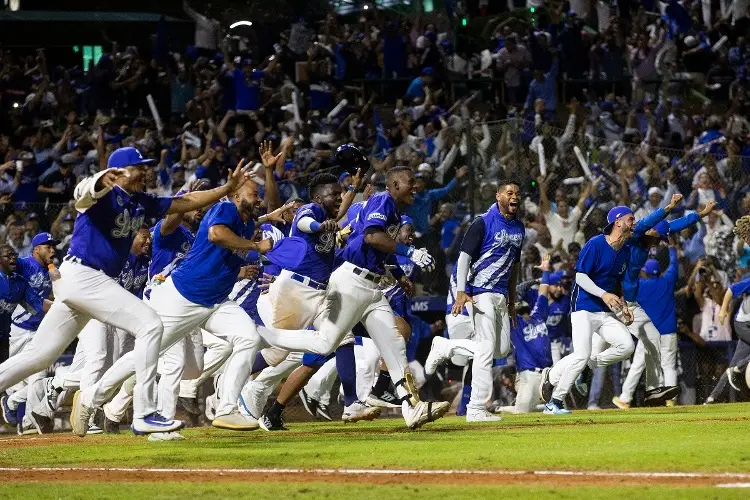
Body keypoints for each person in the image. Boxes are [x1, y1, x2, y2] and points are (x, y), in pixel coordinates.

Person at [0, 145, 253, 436]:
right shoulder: (102, 195)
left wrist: (226, 187)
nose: (144, 172)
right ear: (119, 172)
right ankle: (145, 413)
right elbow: (81, 194)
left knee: (40, 357)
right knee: (150, 324)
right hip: (84, 275)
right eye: (138, 167)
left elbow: (186, 201)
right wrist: (100, 180)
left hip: (83, 282)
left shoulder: (140, 201)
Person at [74, 175, 274, 436]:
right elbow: (215, 234)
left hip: (215, 301)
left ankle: (226, 409)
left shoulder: (246, 224)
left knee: (248, 338)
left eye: (258, 194)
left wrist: (270, 182)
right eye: (253, 193)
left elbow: (260, 215)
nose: (258, 198)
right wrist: (255, 246)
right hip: (182, 298)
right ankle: (92, 398)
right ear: (236, 196)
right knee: (151, 357)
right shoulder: (224, 209)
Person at [260, 165, 450, 429]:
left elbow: (377, 246)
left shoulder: (392, 210)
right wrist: (410, 253)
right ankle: (265, 337)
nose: (415, 186)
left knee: (394, 344)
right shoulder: (383, 200)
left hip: (372, 288)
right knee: (325, 344)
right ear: (394, 185)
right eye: (410, 181)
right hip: (350, 282)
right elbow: (372, 237)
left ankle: (412, 408)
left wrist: (399, 274)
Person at [539, 200, 673, 415]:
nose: (635, 222)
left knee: (626, 346)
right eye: (631, 218)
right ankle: (554, 402)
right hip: (582, 307)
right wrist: (604, 294)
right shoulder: (596, 243)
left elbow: (616, 284)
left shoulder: (625, 252)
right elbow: (580, 277)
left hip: (605, 310)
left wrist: (624, 307)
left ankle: (563, 373)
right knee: (581, 354)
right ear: (618, 222)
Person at [424, 180, 525, 422]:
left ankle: (445, 346)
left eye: (518, 193)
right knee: (487, 348)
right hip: (481, 291)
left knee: (500, 349)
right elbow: (463, 259)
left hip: (501, 295)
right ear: (499, 195)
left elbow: (513, 269)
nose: (515, 197)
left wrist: (512, 302)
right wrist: (461, 291)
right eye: (509, 193)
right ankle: (476, 408)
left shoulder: (519, 228)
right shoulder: (483, 222)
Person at [0, 234, 55, 431]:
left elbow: (38, 303)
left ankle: (29, 421)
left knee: (37, 375)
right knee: (13, 376)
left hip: (27, 333)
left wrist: (61, 307)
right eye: (47, 246)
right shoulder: (25, 264)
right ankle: (12, 401)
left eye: (53, 246)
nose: (52, 250)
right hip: (17, 331)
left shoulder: (39, 275)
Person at [509, 254, 553, 414]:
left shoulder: (538, 315)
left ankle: (501, 408)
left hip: (548, 374)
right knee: (521, 414)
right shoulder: (514, 324)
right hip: (529, 375)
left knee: (554, 413)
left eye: (525, 308)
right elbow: (507, 307)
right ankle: (499, 409)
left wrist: (545, 272)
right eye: (520, 309)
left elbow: (543, 292)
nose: (524, 312)